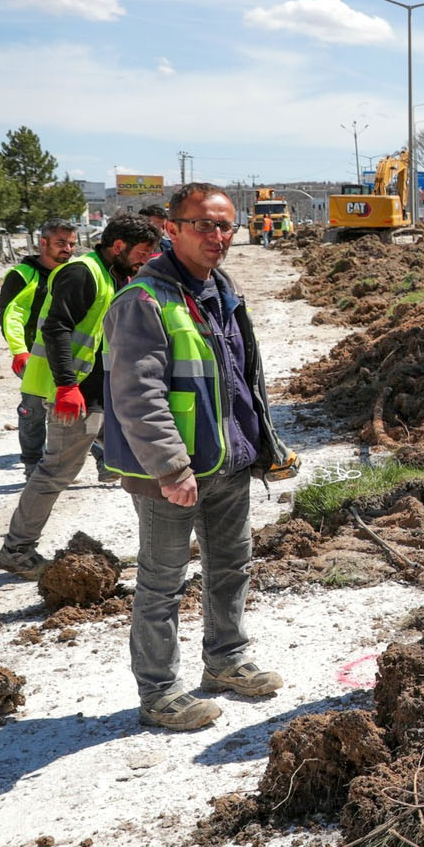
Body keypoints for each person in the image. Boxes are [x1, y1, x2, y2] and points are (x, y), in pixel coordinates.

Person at [100, 182, 294, 731]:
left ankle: (226, 660)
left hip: (226, 461)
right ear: (173, 228)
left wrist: (261, 445)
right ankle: (159, 692)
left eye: (225, 226)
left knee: (231, 566)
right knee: (162, 581)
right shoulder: (142, 301)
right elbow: (138, 393)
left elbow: (237, 378)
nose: (216, 236)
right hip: (174, 473)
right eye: (203, 225)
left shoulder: (219, 288)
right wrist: (169, 465)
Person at [0, 212, 161, 579]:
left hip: (105, 392)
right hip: (74, 392)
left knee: (141, 462)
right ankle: (17, 550)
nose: (147, 258)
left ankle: (160, 545)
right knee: (58, 470)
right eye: (143, 251)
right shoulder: (83, 272)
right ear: (118, 246)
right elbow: (56, 329)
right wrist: (66, 386)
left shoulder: (118, 273)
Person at [0, 219, 79, 476]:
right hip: (34, 356)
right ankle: (32, 464)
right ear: (43, 243)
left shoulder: (75, 271)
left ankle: (102, 460)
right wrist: (18, 350)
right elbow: (10, 315)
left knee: (82, 406)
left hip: (69, 353)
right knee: (32, 411)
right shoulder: (22, 275)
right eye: (61, 243)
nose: (67, 249)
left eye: (72, 244)